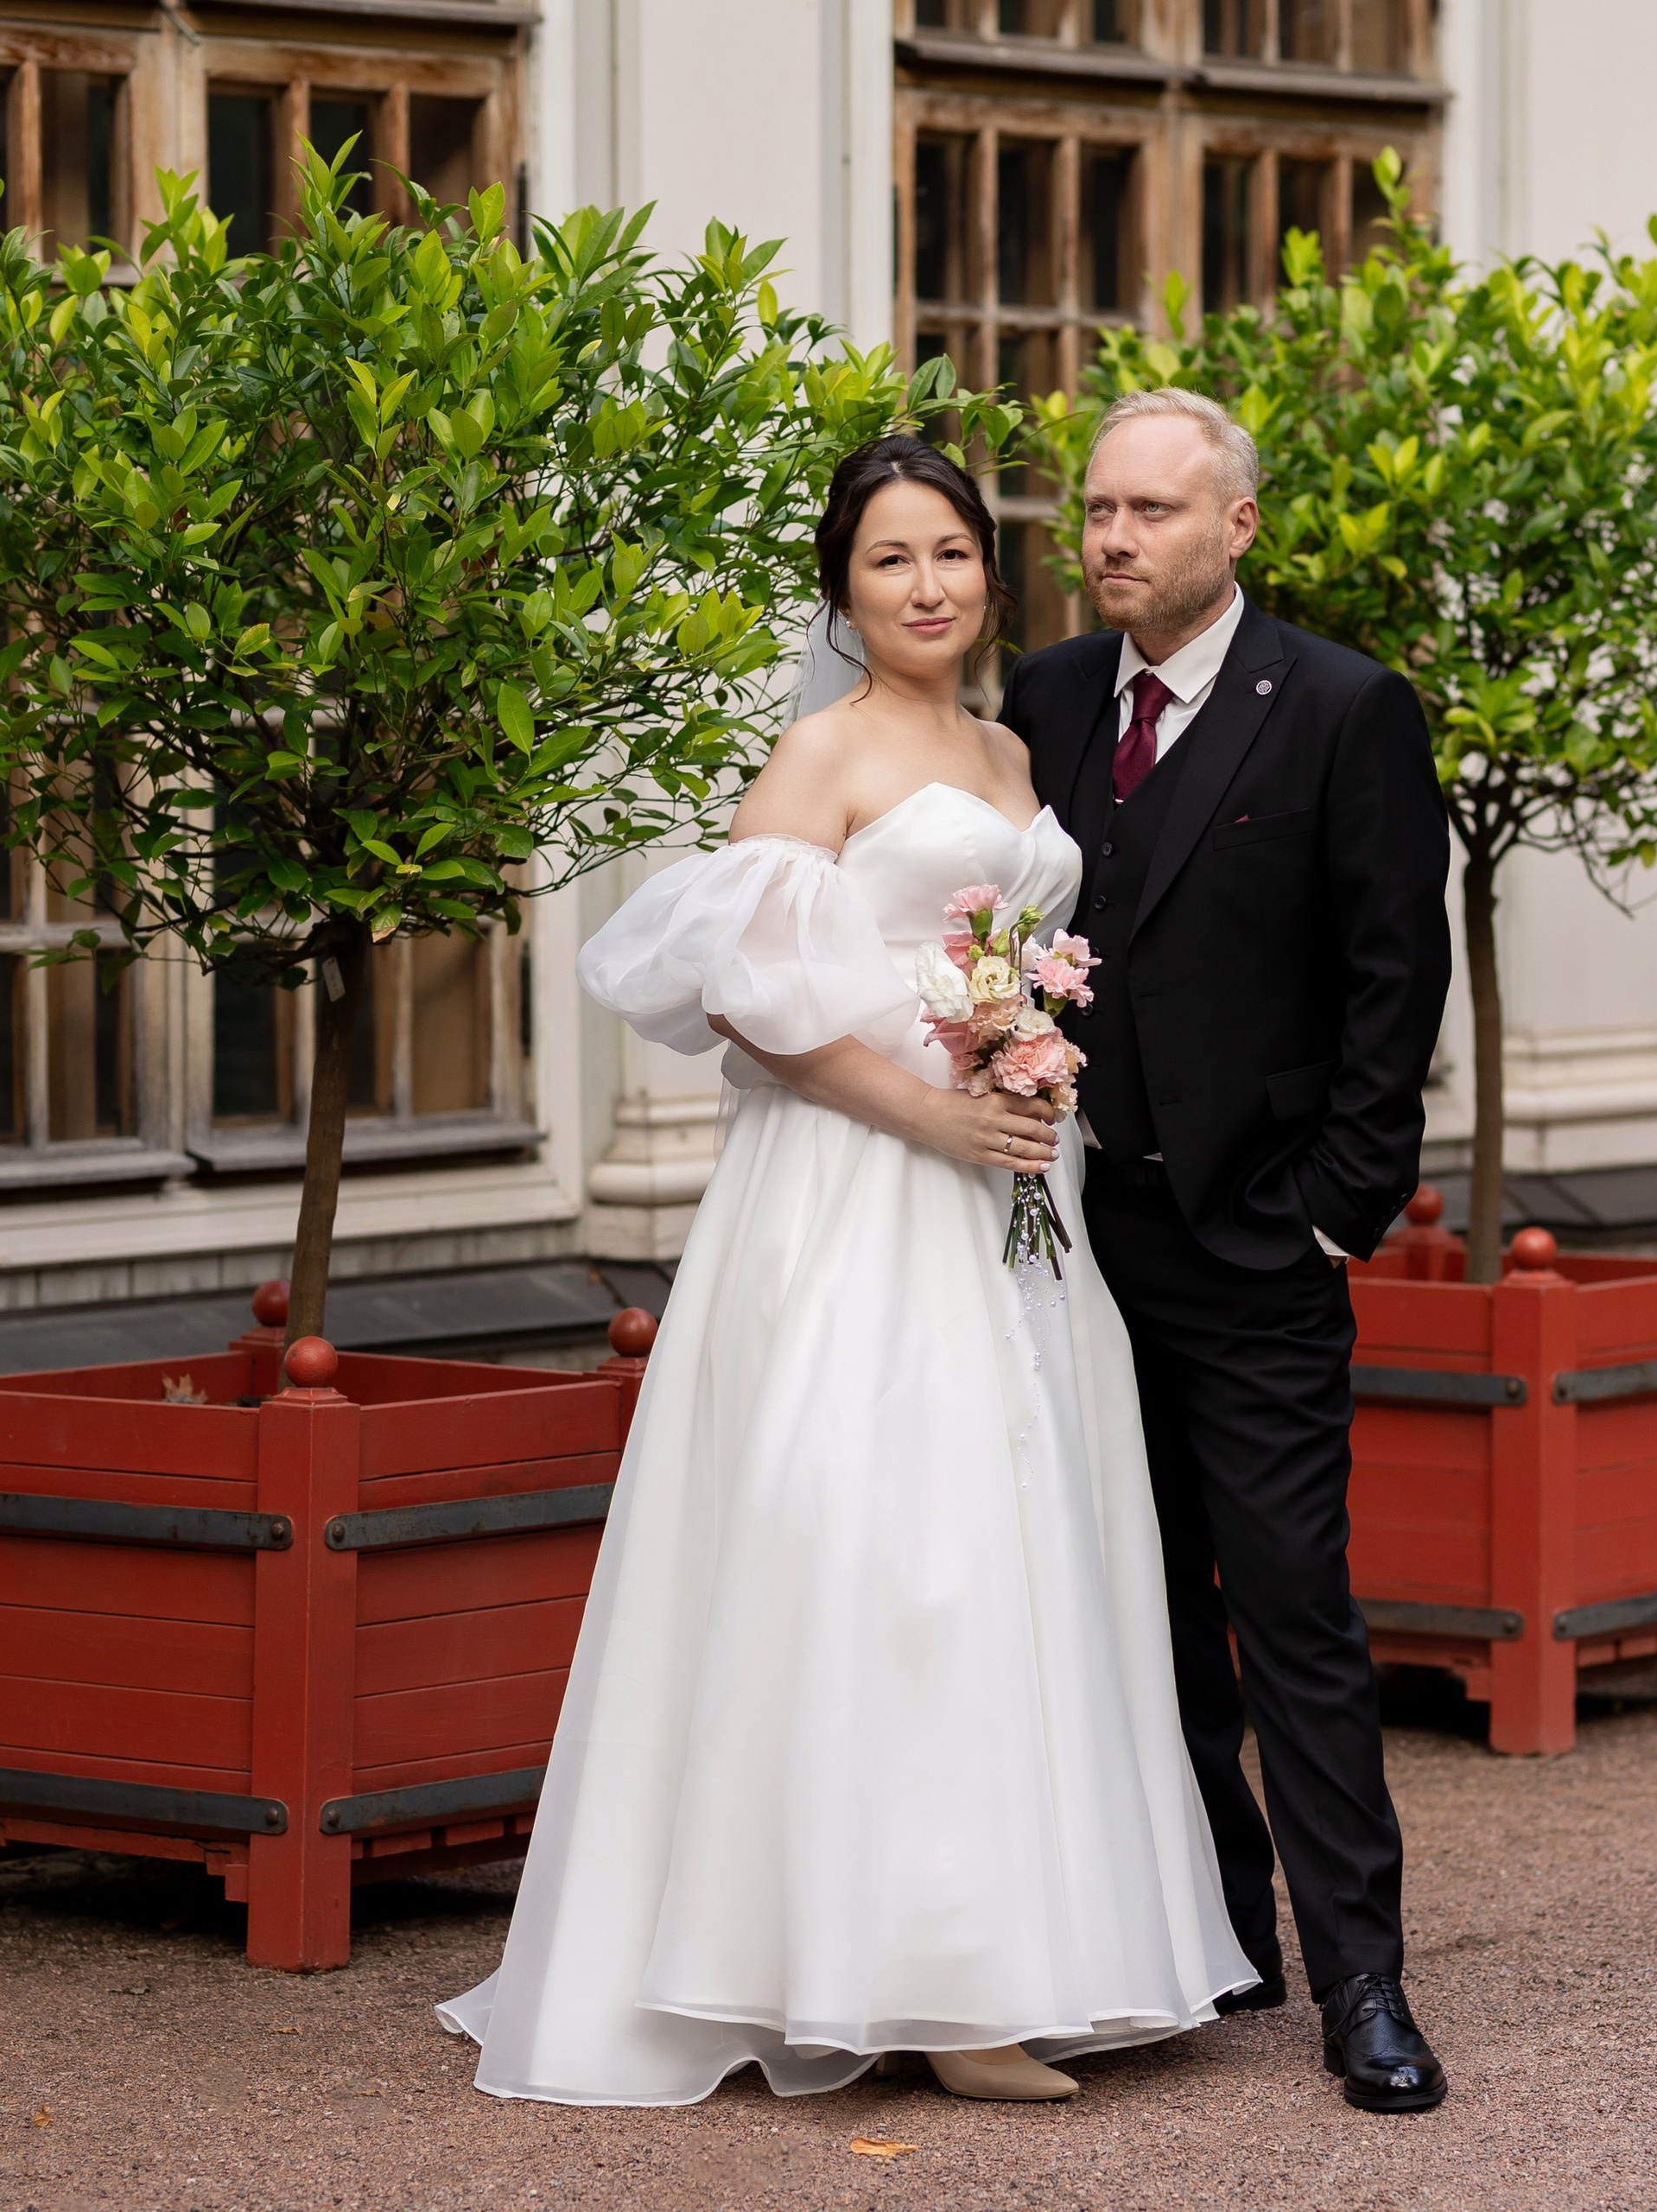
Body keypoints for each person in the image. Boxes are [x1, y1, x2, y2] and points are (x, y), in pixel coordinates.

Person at [437, 434, 1254, 2107]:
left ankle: (1019, 1949)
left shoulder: (1017, 745)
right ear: (843, 586)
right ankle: (915, 1980)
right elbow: (744, 993)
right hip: (860, 1189)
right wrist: (927, 1113)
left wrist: (1020, 1071)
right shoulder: (815, 756)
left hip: (1013, 1197)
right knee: (896, 1550)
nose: (927, 584)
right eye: (889, 559)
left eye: (950, 551)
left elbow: (1014, 958)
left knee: (1025, 1542)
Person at [998, 387, 1455, 2113]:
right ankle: (1221, 1919)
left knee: (1290, 1610)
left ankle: (1362, 1984)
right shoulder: (1043, 698)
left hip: (1257, 1244)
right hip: (1069, 1241)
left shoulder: (1341, 708)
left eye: (1151, 512)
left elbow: (1390, 982)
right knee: (1142, 1608)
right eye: (1098, 509)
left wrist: (1338, 1207)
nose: (1112, 537)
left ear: (1235, 528)